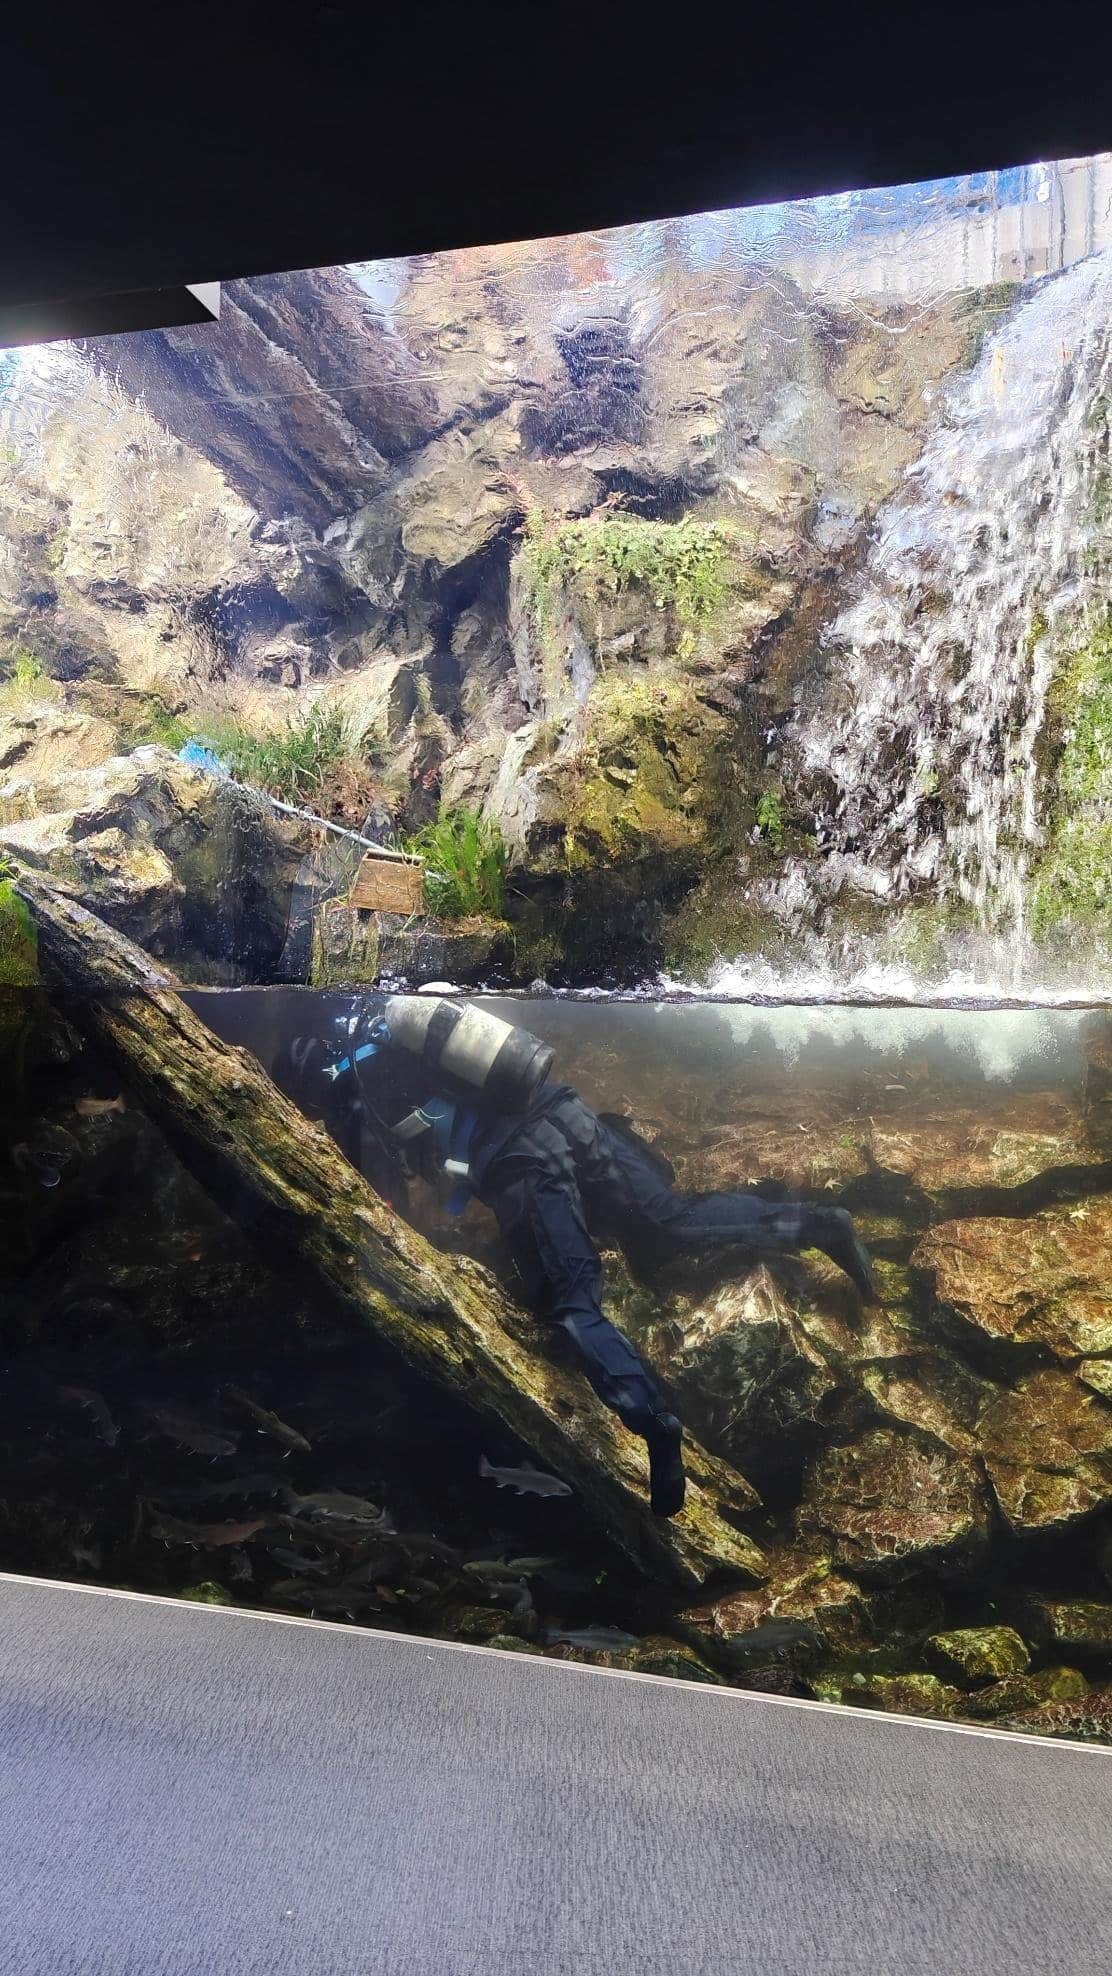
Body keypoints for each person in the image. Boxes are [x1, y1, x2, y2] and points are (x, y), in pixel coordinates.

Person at [275, 995, 878, 1521]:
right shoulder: (387, 1024)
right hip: (566, 1111)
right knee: (667, 1221)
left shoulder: (350, 1085)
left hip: (522, 1161)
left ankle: (653, 1423)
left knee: (572, 1305)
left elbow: (387, 1200)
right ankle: (821, 1225)